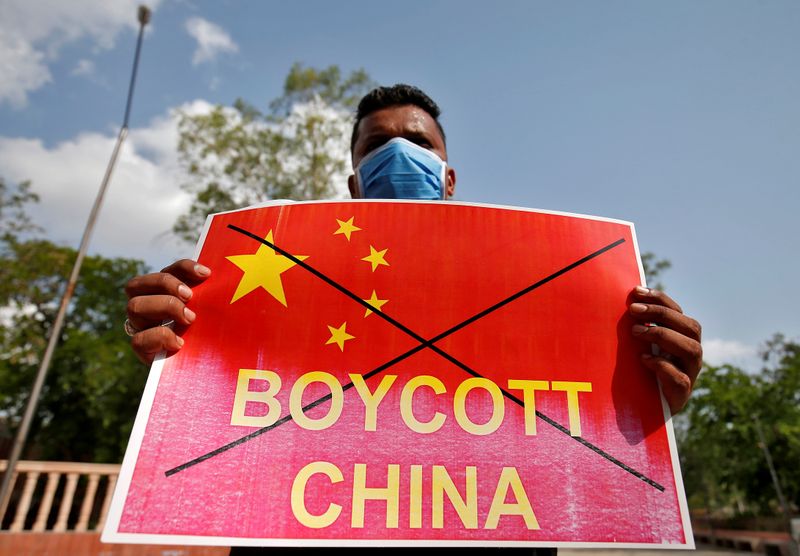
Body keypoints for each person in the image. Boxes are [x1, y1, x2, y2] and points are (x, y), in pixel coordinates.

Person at [123, 85, 703, 554]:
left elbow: (577, 428)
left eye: (417, 141)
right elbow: (227, 416)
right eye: (377, 144)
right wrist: (173, 359)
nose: (398, 153)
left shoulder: (532, 281)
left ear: (449, 178)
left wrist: (644, 398)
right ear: (354, 185)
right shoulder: (278, 283)